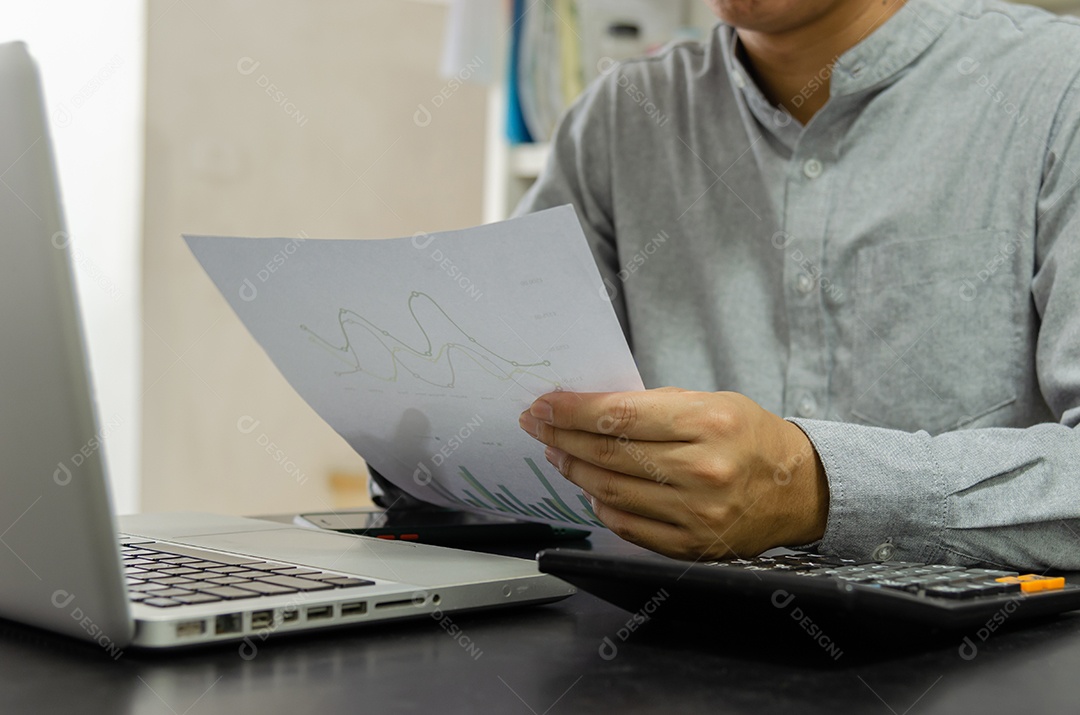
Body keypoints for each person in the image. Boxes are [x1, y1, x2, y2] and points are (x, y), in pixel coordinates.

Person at [515, 0, 1080, 570]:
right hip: (664, 633)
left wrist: (820, 489)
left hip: (987, 652)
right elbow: (499, 397)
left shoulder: (1060, 85)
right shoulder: (619, 118)